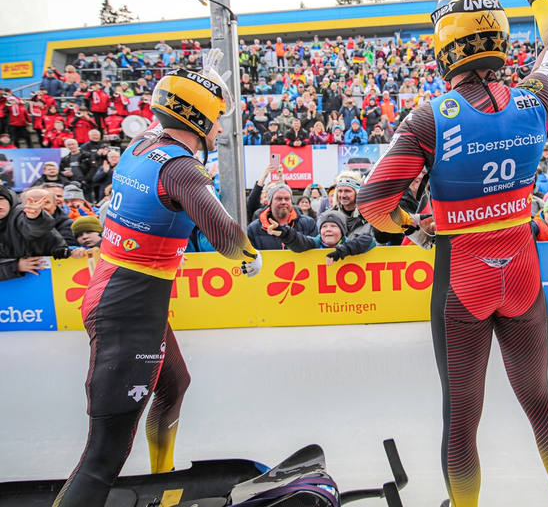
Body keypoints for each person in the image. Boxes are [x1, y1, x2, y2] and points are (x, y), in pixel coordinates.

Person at [357, 0, 548, 507]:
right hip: (521, 268)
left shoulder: (430, 115)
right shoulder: (536, 98)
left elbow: (372, 203)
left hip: (462, 276)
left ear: (443, 54)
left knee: (462, 421)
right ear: (501, 44)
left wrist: (414, 226)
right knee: (539, 400)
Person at [54, 49, 264, 507]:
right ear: (198, 118)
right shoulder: (182, 166)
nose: (221, 129)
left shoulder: (143, 144)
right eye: (218, 118)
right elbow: (226, 235)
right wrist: (249, 256)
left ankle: (162, 485)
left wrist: (201, 86)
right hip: (129, 305)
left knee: (173, 384)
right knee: (102, 457)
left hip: (125, 294)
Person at [267, 208, 376, 264]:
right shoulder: (314, 243)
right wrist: (285, 233)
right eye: (324, 226)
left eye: (333, 226)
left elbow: (369, 241)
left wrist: (341, 252)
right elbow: (300, 241)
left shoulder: (348, 243)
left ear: (342, 231)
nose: (328, 229)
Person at [246, 182, 318, 250]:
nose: (283, 202)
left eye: (287, 199)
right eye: (279, 199)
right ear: (270, 202)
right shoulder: (253, 229)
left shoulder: (309, 224)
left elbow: (316, 250)